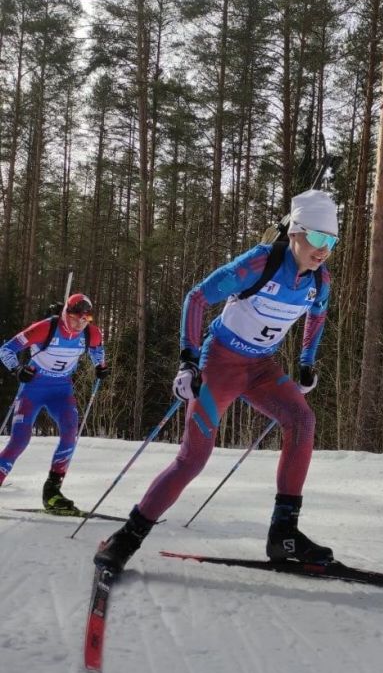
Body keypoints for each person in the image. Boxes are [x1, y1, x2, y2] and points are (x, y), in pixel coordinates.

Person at [95, 189, 338, 573]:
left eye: (332, 241)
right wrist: (188, 361)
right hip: (220, 364)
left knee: (302, 421)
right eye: (319, 238)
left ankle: (283, 534)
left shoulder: (319, 281)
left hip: (261, 368)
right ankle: (126, 538)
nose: (324, 249)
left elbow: (317, 317)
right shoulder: (260, 263)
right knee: (194, 458)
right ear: (296, 232)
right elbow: (196, 298)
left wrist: (307, 361)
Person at [0, 294, 109, 513]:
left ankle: (52, 492)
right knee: (20, 440)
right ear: (65, 313)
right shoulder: (44, 328)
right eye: (76, 318)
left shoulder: (92, 333)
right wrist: (17, 370)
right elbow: (6, 350)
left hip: (62, 390)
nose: (80, 324)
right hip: (33, 389)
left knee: (70, 433)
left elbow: (98, 350)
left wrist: (101, 365)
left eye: (85, 319)